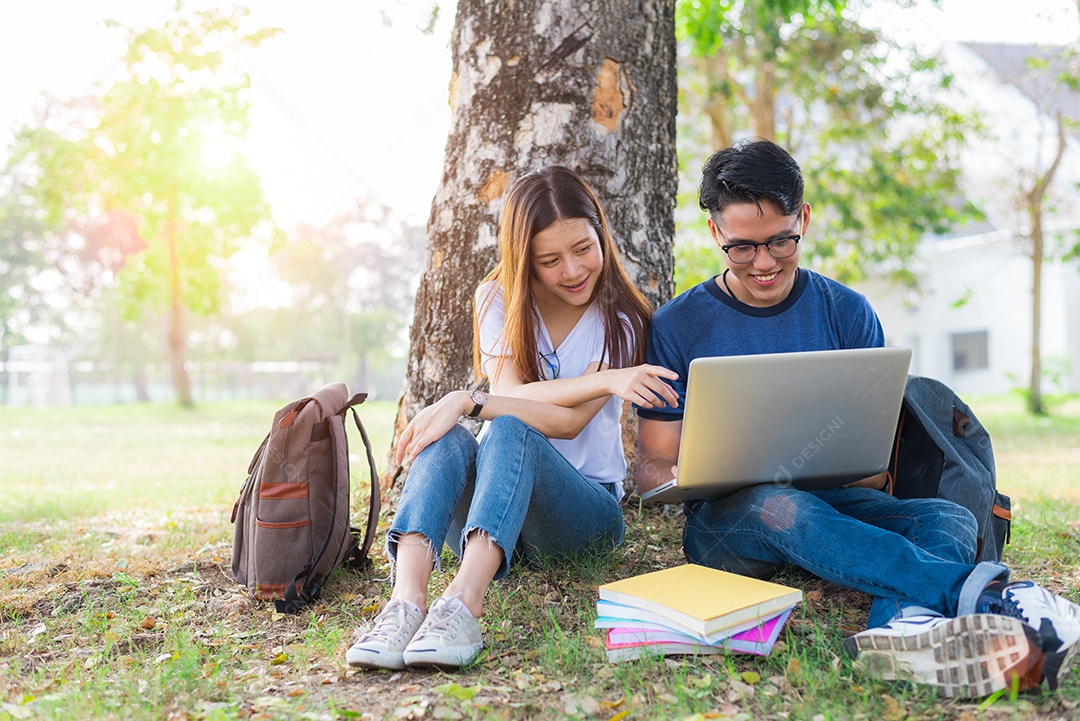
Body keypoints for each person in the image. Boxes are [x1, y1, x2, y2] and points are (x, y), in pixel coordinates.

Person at [635, 138, 1080, 698]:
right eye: (742, 248)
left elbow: (873, 470)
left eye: (781, 241)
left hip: (838, 505)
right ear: (713, 232)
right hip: (726, 526)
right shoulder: (677, 325)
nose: (764, 263)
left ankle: (901, 633)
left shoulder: (847, 312)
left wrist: (834, 463)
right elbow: (650, 468)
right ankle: (986, 596)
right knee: (780, 503)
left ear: (804, 219)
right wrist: (690, 474)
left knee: (948, 518)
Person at [346, 165, 679, 670]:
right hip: (496, 518)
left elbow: (564, 423)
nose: (573, 270)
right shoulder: (496, 298)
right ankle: (405, 604)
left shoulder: (623, 318)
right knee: (449, 437)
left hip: (580, 517)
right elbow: (509, 393)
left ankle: (464, 603)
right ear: (525, 259)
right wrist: (605, 380)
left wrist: (470, 400)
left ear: (601, 236)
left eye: (583, 249)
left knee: (508, 426)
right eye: (550, 260)